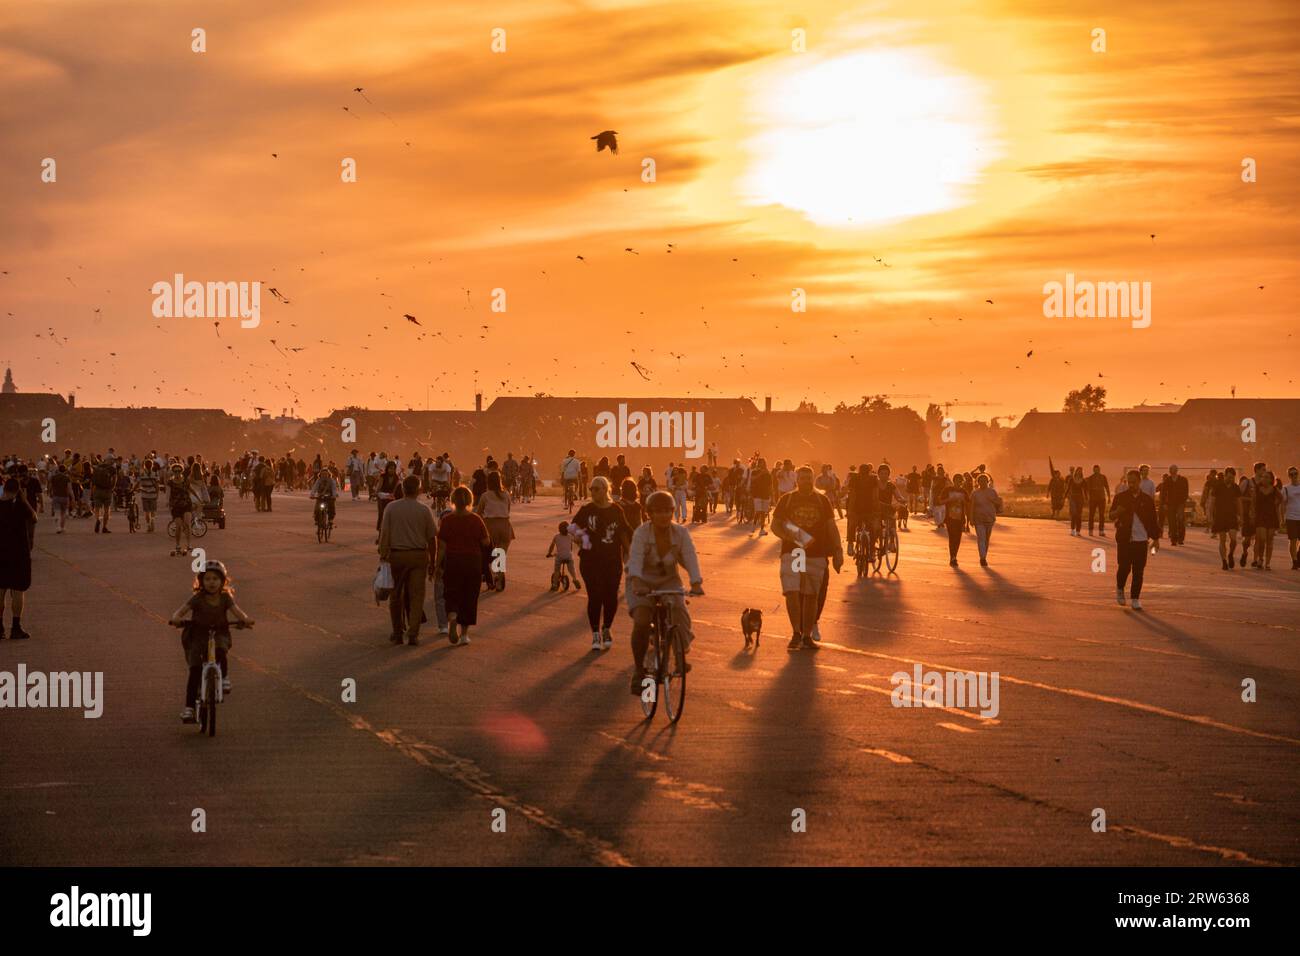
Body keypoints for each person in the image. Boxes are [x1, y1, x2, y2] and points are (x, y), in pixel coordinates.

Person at [625, 490, 704, 694]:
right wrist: (636, 582)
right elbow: (635, 560)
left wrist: (695, 582)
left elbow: (689, 557)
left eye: (667, 511)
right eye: (658, 511)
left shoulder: (681, 533)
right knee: (642, 620)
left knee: (679, 614)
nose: (663, 516)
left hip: (669, 581)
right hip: (641, 581)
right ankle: (639, 670)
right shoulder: (642, 533)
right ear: (649, 513)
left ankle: (679, 654)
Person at [168, 560, 254, 722]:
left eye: (215, 579)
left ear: (223, 581)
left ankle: (225, 678)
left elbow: (237, 612)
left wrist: (246, 620)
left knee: (221, 651)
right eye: (207, 579)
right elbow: (181, 611)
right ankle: (189, 708)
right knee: (195, 672)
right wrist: (176, 619)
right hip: (198, 636)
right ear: (201, 581)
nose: (211, 582)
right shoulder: (197, 598)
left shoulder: (225, 598)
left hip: (219, 632)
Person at [772, 466, 842, 649]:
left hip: (816, 552)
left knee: (811, 595)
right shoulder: (787, 500)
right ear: (797, 480)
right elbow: (775, 525)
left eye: (809, 478)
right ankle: (796, 632)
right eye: (803, 478)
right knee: (793, 591)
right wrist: (788, 537)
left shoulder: (822, 500)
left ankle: (806, 636)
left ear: (813, 480)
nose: (806, 482)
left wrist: (838, 550)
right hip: (794, 552)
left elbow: (831, 526)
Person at [571, 476, 633, 651]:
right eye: (591, 489)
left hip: (612, 560)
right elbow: (573, 527)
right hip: (590, 561)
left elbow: (623, 533)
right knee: (595, 596)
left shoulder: (616, 510)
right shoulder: (586, 509)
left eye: (596, 489)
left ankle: (607, 627)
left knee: (611, 596)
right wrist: (579, 537)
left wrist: (631, 553)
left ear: (606, 490)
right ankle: (595, 633)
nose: (593, 492)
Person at [378, 475, 438, 645]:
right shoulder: (424, 510)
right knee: (417, 596)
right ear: (419, 490)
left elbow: (385, 534)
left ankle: (397, 633)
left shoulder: (391, 508)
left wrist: (383, 555)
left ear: (403, 489)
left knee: (396, 595)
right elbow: (432, 538)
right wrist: (432, 562)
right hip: (418, 556)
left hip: (396, 556)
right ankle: (413, 633)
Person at [436, 486, 491, 646]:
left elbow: (442, 547)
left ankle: (452, 616)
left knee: (451, 592)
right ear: (470, 500)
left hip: (453, 561)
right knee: (469, 596)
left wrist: (436, 566)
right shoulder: (476, 519)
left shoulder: (447, 520)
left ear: (453, 501)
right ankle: (464, 634)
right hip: (472, 561)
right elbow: (486, 541)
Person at [1110, 469, 1160, 610]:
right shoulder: (1121, 497)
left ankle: (1135, 598)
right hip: (1125, 539)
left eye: (1133, 482)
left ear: (1139, 482)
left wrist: (1156, 539)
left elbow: (1152, 521)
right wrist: (1118, 512)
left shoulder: (1147, 500)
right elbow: (1111, 515)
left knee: (1139, 571)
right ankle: (1120, 589)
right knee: (1124, 567)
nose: (1131, 485)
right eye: (1129, 482)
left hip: (1141, 540)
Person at [0, 477, 36, 640]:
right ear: (18, 490)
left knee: (0, 591)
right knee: (18, 591)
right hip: (18, 554)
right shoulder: (21, 506)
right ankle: (16, 627)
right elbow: (34, 517)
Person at [474, 472, 514, 590]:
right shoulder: (506, 494)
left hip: (490, 526)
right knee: (501, 553)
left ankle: (491, 575)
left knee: (488, 553)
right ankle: (499, 575)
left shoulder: (485, 496)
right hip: (505, 525)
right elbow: (508, 509)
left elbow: (478, 513)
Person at [970, 473, 1003, 567]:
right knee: (981, 538)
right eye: (981, 481)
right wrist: (971, 519)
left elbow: (998, 503)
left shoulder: (992, 492)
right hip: (978, 519)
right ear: (978, 482)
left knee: (986, 539)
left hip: (990, 518)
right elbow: (972, 506)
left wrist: (993, 500)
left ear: (987, 482)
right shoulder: (975, 493)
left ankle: (984, 555)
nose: (983, 483)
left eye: (985, 481)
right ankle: (982, 558)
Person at [1252, 468, 1280, 570]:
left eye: (1267, 477)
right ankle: (1260, 559)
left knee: (1270, 540)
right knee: (1262, 539)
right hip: (1260, 516)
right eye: (1263, 477)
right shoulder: (1257, 488)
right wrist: (1252, 513)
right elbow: (1253, 501)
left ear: (1271, 479)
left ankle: (1267, 563)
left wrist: (1276, 505)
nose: (1264, 478)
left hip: (1271, 516)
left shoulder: (1274, 489)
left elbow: (1281, 499)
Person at [941, 479, 970, 567]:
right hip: (949, 517)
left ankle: (954, 555)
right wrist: (949, 499)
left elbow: (968, 504)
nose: (959, 483)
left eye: (960, 481)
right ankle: (952, 557)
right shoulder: (947, 490)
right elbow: (940, 501)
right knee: (952, 537)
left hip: (960, 518)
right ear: (953, 481)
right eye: (957, 481)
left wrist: (968, 521)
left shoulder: (963, 491)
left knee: (957, 538)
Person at [1159, 464, 1189, 546]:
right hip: (1170, 504)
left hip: (1180, 503)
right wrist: (1164, 503)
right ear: (1169, 471)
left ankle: (1180, 538)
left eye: (1175, 469)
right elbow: (1163, 493)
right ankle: (1173, 539)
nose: (1173, 471)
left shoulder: (1183, 479)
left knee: (1180, 520)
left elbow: (1186, 491)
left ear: (1177, 470)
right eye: (1171, 469)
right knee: (1172, 521)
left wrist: (1183, 501)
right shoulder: (1167, 480)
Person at [546, 521, 580, 591]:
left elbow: (552, 546)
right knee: (572, 569)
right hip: (568, 557)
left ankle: (555, 585)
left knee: (557, 571)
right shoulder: (570, 536)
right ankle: (575, 580)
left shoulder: (556, 536)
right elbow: (577, 541)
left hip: (559, 557)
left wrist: (549, 553)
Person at [90, 455, 116, 533]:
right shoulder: (112, 469)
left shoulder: (97, 467)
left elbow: (93, 481)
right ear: (110, 460)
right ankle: (104, 527)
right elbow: (114, 480)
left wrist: (92, 492)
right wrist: (112, 488)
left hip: (97, 490)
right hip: (107, 491)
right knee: (106, 510)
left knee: (97, 508)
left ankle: (98, 519)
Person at [1282, 466, 1300, 570]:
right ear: (1289, 476)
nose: (1294, 476)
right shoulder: (1286, 489)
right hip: (1291, 517)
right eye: (1291, 474)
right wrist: (1282, 518)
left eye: (1295, 474)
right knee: (1293, 540)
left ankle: (1298, 555)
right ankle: (1294, 560)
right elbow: (1282, 504)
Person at [1085, 464, 1110, 537]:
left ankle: (1101, 530)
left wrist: (1109, 497)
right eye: (1095, 469)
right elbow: (1087, 489)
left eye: (1097, 469)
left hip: (1101, 498)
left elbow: (1107, 487)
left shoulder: (1103, 477)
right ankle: (1090, 530)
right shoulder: (1090, 478)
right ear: (1093, 470)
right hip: (1093, 499)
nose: (1096, 471)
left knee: (1101, 515)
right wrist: (1087, 497)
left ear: (1099, 469)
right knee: (1091, 515)